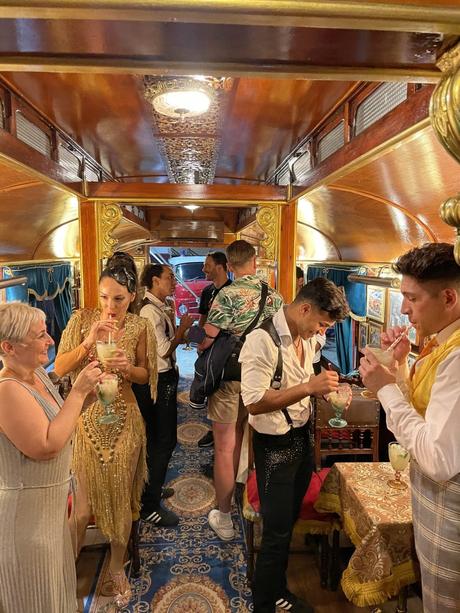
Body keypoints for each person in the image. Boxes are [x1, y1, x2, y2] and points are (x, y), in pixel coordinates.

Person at [359, 242, 460, 613]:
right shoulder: (441, 344)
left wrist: (384, 387)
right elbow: (426, 417)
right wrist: (398, 370)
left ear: (448, 297)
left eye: (411, 299)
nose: (403, 309)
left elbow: (437, 458)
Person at [240, 278, 350, 613]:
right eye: (320, 322)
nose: (322, 331)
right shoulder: (262, 341)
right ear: (304, 308)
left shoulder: (309, 336)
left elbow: (308, 382)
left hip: (300, 439)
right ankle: (263, 603)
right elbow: (254, 402)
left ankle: (276, 589)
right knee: (274, 531)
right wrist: (308, 387)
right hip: (273, 448)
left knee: (288, 524)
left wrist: (327, 391)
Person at [55, 264, 158, 609]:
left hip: (125, 420)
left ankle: (116, 568)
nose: (110, 306)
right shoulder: (82, 320)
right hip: (86, 419)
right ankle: (63, 569)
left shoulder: (141, 326)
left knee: (121, 505)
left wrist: (128, 368)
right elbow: (59, 367)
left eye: (118, 298)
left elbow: (145, 375)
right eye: (103, 297)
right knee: (82, 510)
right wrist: (88, 343)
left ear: (132, 297)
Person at [0, 302, 101, 613]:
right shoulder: (7, 389)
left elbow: (57, 422)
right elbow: (47, 444)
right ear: (9, 347)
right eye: (40, 335)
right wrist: (79, 392)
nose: (50, 341)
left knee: (58, 595)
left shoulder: (36, 376)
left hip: (51, 514)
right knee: (38, 599)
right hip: (27, 523)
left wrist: (85, 399)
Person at [200, 239, 283, 541]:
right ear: (255, 262)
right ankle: (251, 502)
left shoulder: (226, 295)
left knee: (224, 447)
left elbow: (209, 336)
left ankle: (223, 518)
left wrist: (202, 347)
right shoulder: (274, 297)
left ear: (230, 266)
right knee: (250, 439)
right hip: (261, 380)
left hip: (229, 378)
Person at [133, 263, 193, 526]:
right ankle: (149, 504)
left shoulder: (157, 307)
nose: (174, 283)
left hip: (166, 378)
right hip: (158, 382)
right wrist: (182, 330)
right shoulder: (149, 311)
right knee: (163, 441)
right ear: (155, 281)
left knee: (161, 439)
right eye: (169, 278)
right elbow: (164, 351)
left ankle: (152, 489)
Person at [197, 251, 232, 449]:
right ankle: (213, 427)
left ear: (220, 266)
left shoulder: (233, 291)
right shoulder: (207, 292)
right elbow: (203, 319)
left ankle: (221, 432)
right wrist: (198, 342)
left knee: (223, 388)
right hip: (208, 346)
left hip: (227, 350)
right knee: (209, 385)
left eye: (206, 265)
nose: (203, 269)